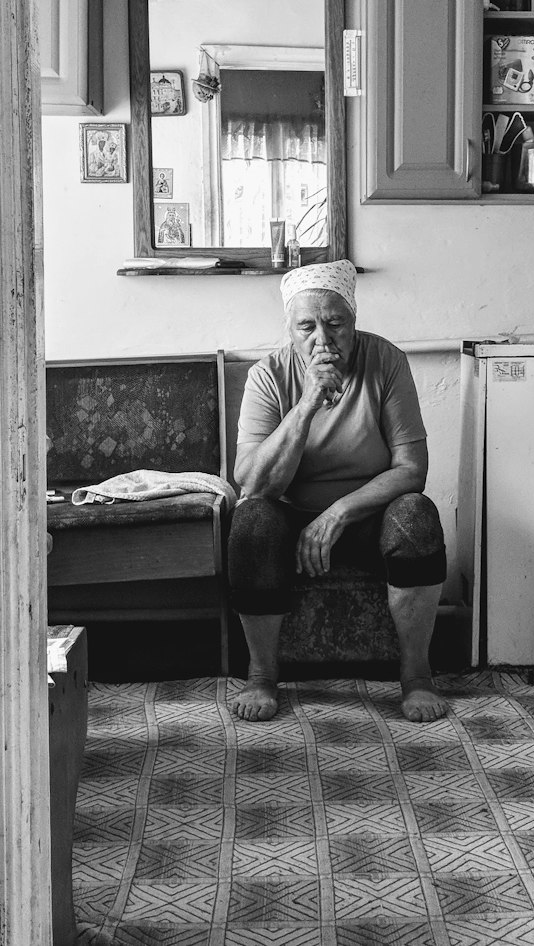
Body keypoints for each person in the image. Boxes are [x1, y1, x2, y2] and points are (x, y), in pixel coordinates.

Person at [228, 260, 448, 723]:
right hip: (291, 520)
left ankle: (417, 676)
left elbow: (412, 469)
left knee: (417, 515)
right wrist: (307, 404)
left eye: (335, 324)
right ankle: (262, 674)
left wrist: (338, 512)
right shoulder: (268, 376)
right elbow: (251, 483)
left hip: (369, 516)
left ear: (354, 321)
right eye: (307, 327)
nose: (322, 341)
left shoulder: (386, 362)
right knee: (252, 521)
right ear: (290, 331)